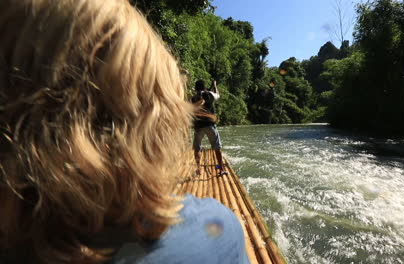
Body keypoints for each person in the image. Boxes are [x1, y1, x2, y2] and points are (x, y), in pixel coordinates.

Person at [0, 0, 249, 263]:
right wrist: (214, 86)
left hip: (200, 128)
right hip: (208, 126)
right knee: (216, 148)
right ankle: (218, 167)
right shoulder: (219, 230)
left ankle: (198, 164)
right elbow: (216, 96)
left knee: (199, 149)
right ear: (159, 125)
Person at [191, 80, 228, 176]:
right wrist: (215, 85)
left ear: (196, 88)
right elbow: (218, 95)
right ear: (204, 87)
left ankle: (198, 169)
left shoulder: (193, 98)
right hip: (210, 125)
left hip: (199, 126)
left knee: (197, 148)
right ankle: (221, 169)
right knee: (217, 147)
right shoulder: (210, 94)